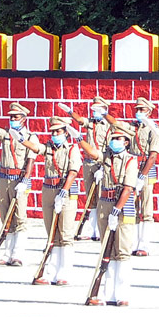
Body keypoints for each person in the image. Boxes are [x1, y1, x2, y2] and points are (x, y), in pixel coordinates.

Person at [78, 120, 139, 306]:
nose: (115, 142)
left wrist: (116, 210)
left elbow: (128, 188)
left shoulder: (131, 160)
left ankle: (121, 293)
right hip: (105, 202)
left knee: (122, 251)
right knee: (107, 249)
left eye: (119, 139)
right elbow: (92, 153)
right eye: (113, 138)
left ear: (126, 141)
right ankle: (107, 292)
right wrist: (80, 139)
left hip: (123, 205)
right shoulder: (106, 157)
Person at [0, 101, 42, 266]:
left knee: (20, 217)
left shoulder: (30, 137)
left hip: (20, 179)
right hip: (3, 177)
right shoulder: (6, 133)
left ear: (23, 119)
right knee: (5, 215)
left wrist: (25, 180)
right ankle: (6, 254)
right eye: (11, 117)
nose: (12, 119)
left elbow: (30, 160)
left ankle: (17, 254)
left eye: (15, 117)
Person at [36, 116, 83, 286]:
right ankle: (51, 270)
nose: (55, 134)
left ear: (65, 132)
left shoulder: (72, 149)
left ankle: (64, 271)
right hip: (48, 188)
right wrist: (21, 138)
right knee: (52, 233)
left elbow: (73, 172)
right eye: (53, 131)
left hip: (65, 190)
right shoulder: (48, 147)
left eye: (58, 131)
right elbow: (35, 148)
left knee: (65, 234)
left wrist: (63, 192)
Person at [61, 96, 114, 240]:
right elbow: (79, 120)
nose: (94, 112)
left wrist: (104, 167)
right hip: (88, 163)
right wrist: (70, 112)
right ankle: (91, 229)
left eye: (97, 108)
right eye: (93, 108)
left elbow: (111, 148)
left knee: (101, 196)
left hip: (101, 162)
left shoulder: (109, 126)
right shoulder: (91, 123)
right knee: (90, 198)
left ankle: (100, 228)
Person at [130, 98, 159, 258]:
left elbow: (152, 156)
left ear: (149, 112)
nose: (139, 113)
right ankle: (135, 242)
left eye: (142, 110)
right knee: (134, 209)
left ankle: (144, 244)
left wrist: (142, 176)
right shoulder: (133, 127)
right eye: (137, 109)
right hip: (132, 170)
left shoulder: (153, 129)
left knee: (146, 209)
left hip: (146, 171)